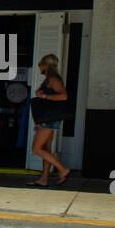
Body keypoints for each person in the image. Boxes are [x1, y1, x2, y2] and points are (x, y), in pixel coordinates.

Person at [29, 53, 70, 187]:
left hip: (49, 120)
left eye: (40, 64)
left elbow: (64, 96)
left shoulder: (53, 79)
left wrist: (45, 96)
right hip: (47, 119)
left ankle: (63, 169)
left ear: (46, 65)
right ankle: (44, 179)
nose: (39, 67)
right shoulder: (49, 79)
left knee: (36, 148)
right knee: (46, 149)